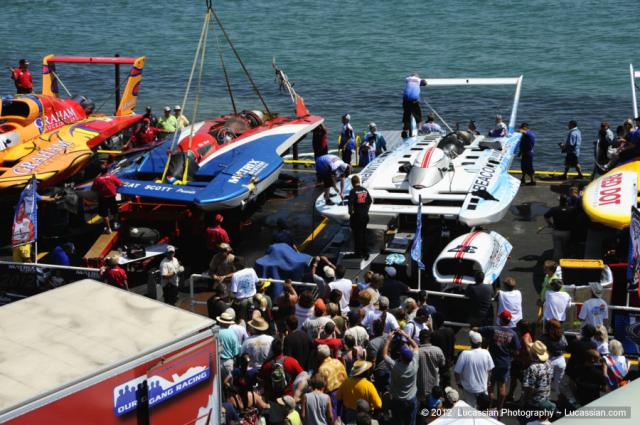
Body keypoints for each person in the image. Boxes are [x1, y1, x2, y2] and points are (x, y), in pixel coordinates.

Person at [479, 310, 521, 412]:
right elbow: (517, 351)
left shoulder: (493, 329)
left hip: (492, 362)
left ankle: (489, 407)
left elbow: (479, 330)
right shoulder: (513, 334)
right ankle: (499, 409)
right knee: (502, 386)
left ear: (501, 319)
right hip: (505, 363)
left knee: (490, 386)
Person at [383, 329, 420, 425]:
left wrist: (388, 340)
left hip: (398, 400)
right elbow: (416, 346)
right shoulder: (414, 363)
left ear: (401, 357)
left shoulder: (395, 366)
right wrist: (406, 336)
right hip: (411, 399)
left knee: (398, 421)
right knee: (410, 421)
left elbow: (385, 355)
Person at [454, 330, 494, 408]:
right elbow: (490, 371)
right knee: (482, 410)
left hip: (468, 389)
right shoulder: (486, 353)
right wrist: (487, 382)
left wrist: (459, 383)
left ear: (471, 342)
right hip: (482, 388)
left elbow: (457, 372)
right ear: (480, 342)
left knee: (470, 410)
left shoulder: (464, 354)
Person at [563, 324, 597, 406]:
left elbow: (567, 350)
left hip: (573, 368)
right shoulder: (594, 345)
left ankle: (575, 402)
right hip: (585, 369)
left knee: (571, 386)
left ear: (583, 332)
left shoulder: (576, 342)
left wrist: (577, 339)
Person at [522, 341, 555, 414]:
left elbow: (530, 388)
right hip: (546, 398)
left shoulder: (533, 368)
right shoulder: (549, 363)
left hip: (534, 403)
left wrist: (525, 401)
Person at [317, 344, 348, 420]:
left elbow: (322, 385)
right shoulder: (337, 361)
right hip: (343, 389)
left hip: (332, 394)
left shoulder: (322, 368)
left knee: (334, 415)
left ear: (320, 356)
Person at [416, 329, 445, 412]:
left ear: (420, 338)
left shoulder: (416, 351)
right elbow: (442, 364)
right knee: (434, 409)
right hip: (434, 387)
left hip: (420, 387)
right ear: (429, 338)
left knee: (422, 410)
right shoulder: (438, 350)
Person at [91, 162, 123, 234]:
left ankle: (108, 229)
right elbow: (119, 184)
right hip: (112, 197)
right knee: (115, 211)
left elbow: (93, 189)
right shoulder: (112, 177)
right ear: (107, 170)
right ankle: (115, 224)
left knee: (104, 214)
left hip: (103, 198)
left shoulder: (97, 179)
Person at [539, 319, 567, 395]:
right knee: (559, 384)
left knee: (545, 383)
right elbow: (565, 345)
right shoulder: (561, 336)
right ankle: (560, 398)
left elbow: (539, 348)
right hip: (560, 360)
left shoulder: (544, 337)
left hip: (548, 361)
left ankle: (545, 398)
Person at [544, 195, 576, 260]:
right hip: (567, 232)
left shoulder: (554, 209)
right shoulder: (572, 209)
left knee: (557, 249)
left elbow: (546, 216)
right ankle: (566, 260)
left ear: (560, 201)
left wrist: (550, 224)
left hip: (557, 231)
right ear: (567, 201)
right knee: (566, 247)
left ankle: (557, 262)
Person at [348, 175, 372, 260]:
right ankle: (366, 252)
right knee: (364, 234)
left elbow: (350, 206)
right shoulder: (365, 190)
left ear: (352, 183)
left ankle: (358, 253)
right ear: (359, 181)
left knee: (357, 235)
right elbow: (370, 201)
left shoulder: (353, 191)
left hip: (357, 217)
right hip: (365, 216)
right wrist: (365, 210)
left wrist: (351, 215)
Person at [431, 313, 455, 389]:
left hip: (439, 363)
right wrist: (452, 359)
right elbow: (452, 346)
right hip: (448, 361)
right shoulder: (450, 331)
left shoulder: (434, 334)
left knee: (439, 384)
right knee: (447, 383)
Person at [402, 73, 427, 137]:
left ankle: (405, 131)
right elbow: (425, 83)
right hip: (414, 100)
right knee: (418, 116)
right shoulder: (419, 80)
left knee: (406, 115)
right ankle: (419, 130)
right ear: (417, 77)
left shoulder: (407, 79)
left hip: (405, 100)